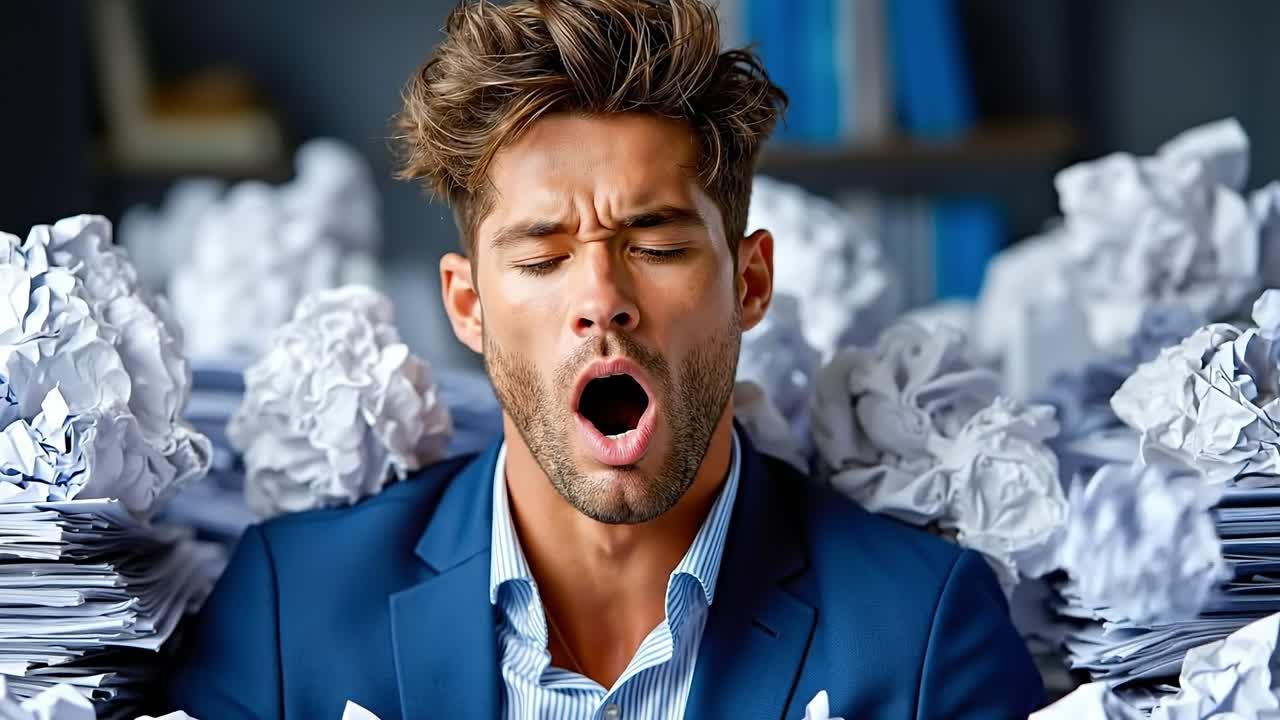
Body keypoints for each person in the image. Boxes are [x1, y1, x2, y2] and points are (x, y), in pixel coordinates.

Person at [167, 0, 1045, 717]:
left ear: (750, 282)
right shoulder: (292, 609)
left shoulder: (926, 631)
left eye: (657, 245)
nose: (600, 298)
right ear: (468, 307)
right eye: (543, 257)